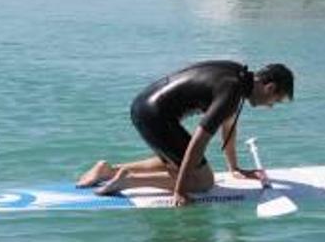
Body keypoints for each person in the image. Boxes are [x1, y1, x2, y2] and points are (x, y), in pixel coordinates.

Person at [76, 60, 294, 207]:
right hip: (154, 116)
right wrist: (180, 190)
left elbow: (228, 125)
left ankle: (108, 170)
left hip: (143, 106)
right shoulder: (232, 91)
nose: (271, 106)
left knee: (179, 163)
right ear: (270, 88)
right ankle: (128, 180)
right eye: (276, 100)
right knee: (204, 182)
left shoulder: (238, 75)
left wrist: (234, 168)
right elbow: (198, 142)